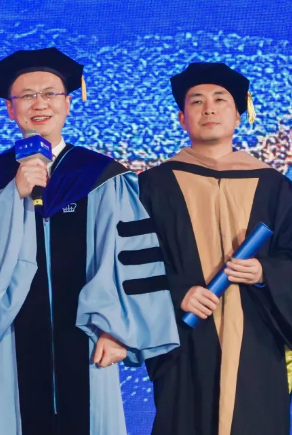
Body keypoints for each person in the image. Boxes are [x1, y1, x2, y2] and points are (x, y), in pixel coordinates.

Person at [0, 47, 179, 435]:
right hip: (14, 338)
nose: (39, 104)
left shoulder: (104, 178)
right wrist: (13, 194)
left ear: (68, 103)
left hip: (90, 337)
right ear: (9, 108)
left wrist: (116, 328)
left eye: (50, 93)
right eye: (26, 95)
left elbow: (129, 257)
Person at [140, 62, 292, 435]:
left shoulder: (274, 186)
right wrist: (178, 292)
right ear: (182, 118)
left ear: (238, 115)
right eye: (197, 101)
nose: (208, 109)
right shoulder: (154, 186)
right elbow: (134, 260)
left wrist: (264, 273)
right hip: (186, 341)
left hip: (257, 341)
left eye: (220, 100)